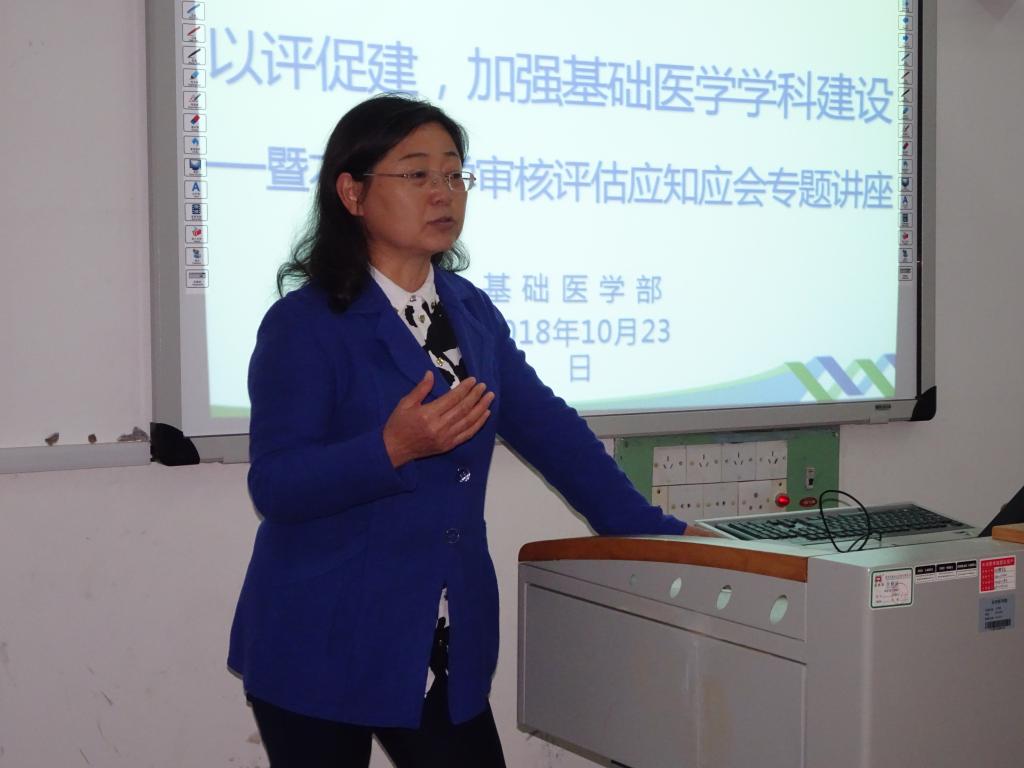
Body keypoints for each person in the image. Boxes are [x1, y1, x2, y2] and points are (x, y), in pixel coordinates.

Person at [228, 93, 704, 768]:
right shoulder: (306, 324)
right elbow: (277, 485)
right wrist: (391, 448)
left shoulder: (470, 311)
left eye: (454, 174)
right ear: (352, 193)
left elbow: (552, 432)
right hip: (322, 637)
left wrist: (659, 534)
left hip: (439, 634)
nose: (443, 192)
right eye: (416, 174)